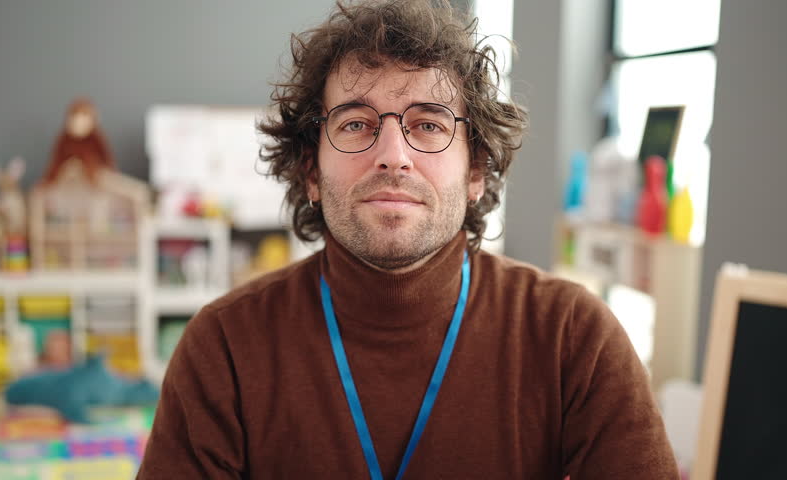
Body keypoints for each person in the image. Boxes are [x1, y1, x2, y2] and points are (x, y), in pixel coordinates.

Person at [137, 1, 679, 478]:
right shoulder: (224, 348)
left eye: (428, 125)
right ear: (310, 171)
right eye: (355, 124)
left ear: (476, 170)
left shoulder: (573, 338)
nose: (393, 155)